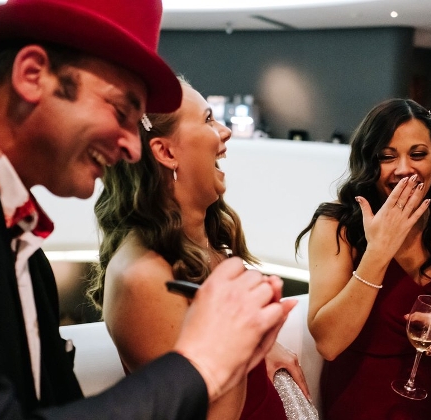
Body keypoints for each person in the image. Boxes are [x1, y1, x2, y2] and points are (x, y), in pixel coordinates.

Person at [0, 0, 295, 418]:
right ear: (32, 75)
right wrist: (205, 363)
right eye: (121, 111)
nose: (131, 147)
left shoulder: (20, 242)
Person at [86, 77, 311, 420]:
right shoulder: (143, 278)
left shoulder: (202, 235)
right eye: (208, 119)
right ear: (166, 152)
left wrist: (264, 347)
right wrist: (244, 343)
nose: (225, 132)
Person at [295, 98, 431, 420]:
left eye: (418, 154)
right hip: (364, 396)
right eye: (387, 157)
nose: (404, 169)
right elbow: (328, 343)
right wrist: (379, 250)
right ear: (369, 161)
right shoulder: (336, 225)